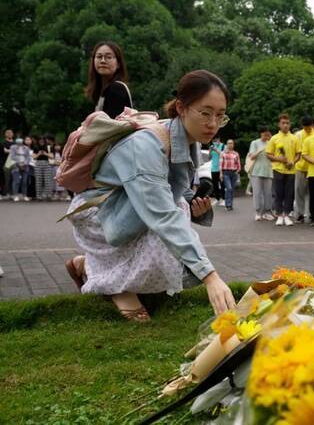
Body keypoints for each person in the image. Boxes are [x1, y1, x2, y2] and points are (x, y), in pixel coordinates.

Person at [65, 70, 236, 321]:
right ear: (181, 107)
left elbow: (178, 188)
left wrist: (194, 205)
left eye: (220, 116)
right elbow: (163, 214)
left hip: (127, 210)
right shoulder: (146, 145)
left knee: (178, 210)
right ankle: (115, 287)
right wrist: (210, 276)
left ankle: (87, 265)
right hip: (98, 214)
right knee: (170, 221)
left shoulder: (191, 140)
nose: (213, 123)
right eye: (205, 113)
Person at [85, 41, 132, 119]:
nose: (103, 61)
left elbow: (113, 127)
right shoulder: (97, 93)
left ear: (118, 64)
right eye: (99, 57)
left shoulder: (117, 89)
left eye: (108, 57)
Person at [266, 113, 298, 226]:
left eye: (287, 123)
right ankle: (279, 215)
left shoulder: (294, 138)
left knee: (289, 194)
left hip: (291, 170)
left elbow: (299, 154)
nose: (285, 125)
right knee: (278, 193)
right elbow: (268, 154)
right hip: (278, 169)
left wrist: (293, 162)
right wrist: (279, 159)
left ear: (290, 124)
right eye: (283, 123)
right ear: (279, 124)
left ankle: (287, 215)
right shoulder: (274, 138)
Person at [248, 126, 274, 221]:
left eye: (267, 133)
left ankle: (267, 212)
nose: (266, 135)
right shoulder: (254, 143)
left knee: (268, 193)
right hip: (256, 171)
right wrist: (261, 150)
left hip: (268, 171)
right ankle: (258, 212)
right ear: (261, 133)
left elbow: (274, 156)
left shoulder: (271, 143)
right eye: (264, 133)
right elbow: (252, 156)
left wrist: (270, 142)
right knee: (257, 193)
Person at [294, 116, 314, 223]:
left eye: (309, 127)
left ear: (312, 125)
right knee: (299, 191)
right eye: (305, 127)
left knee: (312, 192)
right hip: (300, 167)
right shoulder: (298, 135)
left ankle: (311, 213)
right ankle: (300, 213)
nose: (307, 129)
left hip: (313, 167)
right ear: (302, 126)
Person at [9, 137, 32, 201]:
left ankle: (24, 195)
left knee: (24, 181)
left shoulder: (26, 148)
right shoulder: (13, 147)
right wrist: (19, 164)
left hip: (25, 166)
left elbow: (28, 157)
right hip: (16, 166)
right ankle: (15, 195)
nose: (20, 143)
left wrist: (24, 163)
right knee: (16, 181)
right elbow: (12, 156)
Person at [220, 139, 241, 211]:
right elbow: (220, 165)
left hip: (234, 172)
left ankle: (230, 205)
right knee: (229, 188)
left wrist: (237, 171)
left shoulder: (236, 154)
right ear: (226, 144)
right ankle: (227, 205)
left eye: (231, 143)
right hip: (226, 173)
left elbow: (239, 165)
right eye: (228, 143)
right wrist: (221, 174)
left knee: (232, 190)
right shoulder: (223, 153)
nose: (230, 145)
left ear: (233, 145)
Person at [32, 136, 54, 200]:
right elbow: (34, 157)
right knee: (38, 180)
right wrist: (39, 154)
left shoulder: (49, 147)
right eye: (40, 140)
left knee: (48, 180)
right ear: (38, 141)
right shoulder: (35, 147)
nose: (41, 141)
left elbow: (52, 156)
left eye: (43, 140)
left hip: (47, 163)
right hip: (38, 163)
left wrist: (45, 153)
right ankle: (39, 195)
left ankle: (49, 195)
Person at [209, 137, 225, 206]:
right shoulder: (212, 147)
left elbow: (223, 155)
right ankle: (217, 199)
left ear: (219, 139)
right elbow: (209, 157)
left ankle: (223, 199)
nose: (214, 141)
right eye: (213, 140)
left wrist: (216, 150)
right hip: (213, 168)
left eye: (216, 140)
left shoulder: (223, 146)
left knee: (222, 184)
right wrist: (210, 151)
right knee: (215, 185)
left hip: (221, 168)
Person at [1, 129, 15, 198]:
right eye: (8, 133)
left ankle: (11, 193)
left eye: (11, 133)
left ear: (13, 134)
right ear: (5, 134)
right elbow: (5, 151)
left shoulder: (15, 143)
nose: (9, 134)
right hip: (6, 163)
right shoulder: (3, 143)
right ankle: (4, 193)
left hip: (14, 163)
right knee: (6, 179)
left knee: (13, 178)